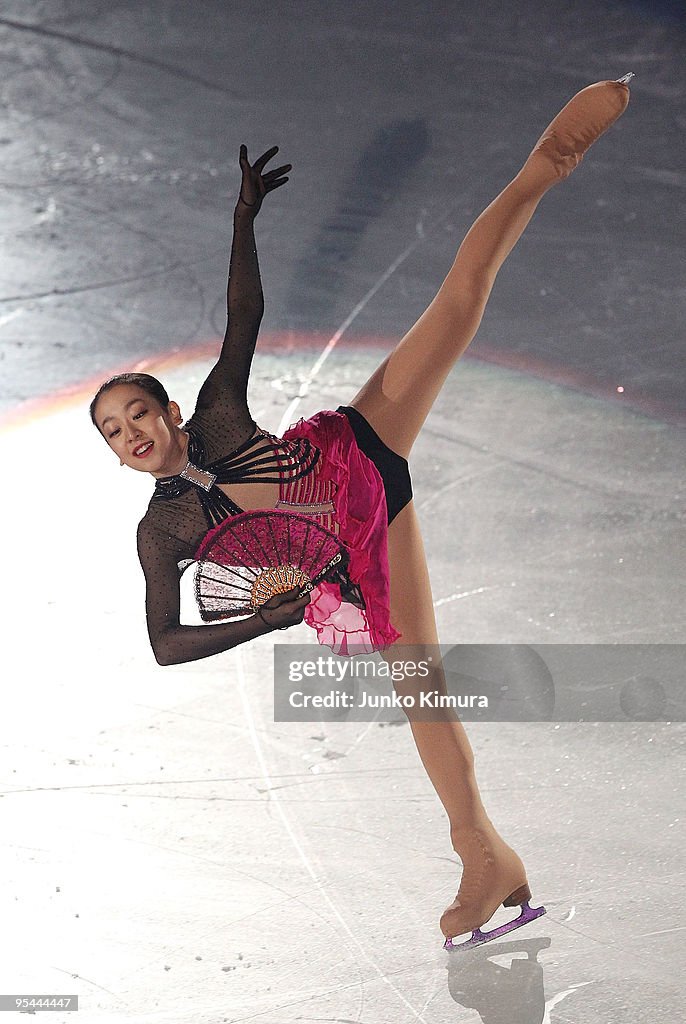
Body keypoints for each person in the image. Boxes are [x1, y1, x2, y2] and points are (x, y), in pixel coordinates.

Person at [90, 77, 633, 947]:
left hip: (355, 449)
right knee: (424, 692)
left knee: (459, 300)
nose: (133, 434)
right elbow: (165, 644)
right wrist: (264, 622)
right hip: (358, 549)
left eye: (141, 414)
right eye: (115, 432)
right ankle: (485, 856)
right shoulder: (164, 533)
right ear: (117, 453)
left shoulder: (221, 412)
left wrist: (243, 221)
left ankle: (545, 165)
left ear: (172, 412)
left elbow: (245, 315)